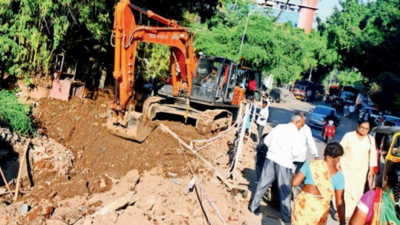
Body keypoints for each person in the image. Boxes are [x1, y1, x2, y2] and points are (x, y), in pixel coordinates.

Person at [249, 113, 306, 223]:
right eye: (302, 124)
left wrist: (274, 149)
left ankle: (253, 207)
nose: (301, 127)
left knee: (262, 184)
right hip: (284, 163)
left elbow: (266, 141)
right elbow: (296, 153)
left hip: (271, 159)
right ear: (298, 122)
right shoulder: (297, 135)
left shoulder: (279, 127)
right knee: (284, 191)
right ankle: (286, 217)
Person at [292, 142, 346, 225]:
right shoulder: (339, 176)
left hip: (304, 205)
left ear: (324, 151)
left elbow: (295, 183)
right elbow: (339, 202)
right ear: (339, 158)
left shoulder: (310, 164)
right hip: (320, 211)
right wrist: (342, 222)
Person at [339, 120, 378, 219]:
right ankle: (341, 211)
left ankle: (349, 213)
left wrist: (371, 171)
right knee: (345, 189)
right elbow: (340, 150)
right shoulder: (349, 135)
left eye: (366, 129)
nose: (364, 130)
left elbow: (373, 155)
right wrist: (337, 163)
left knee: (357, 192)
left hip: (361, 170)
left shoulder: (371, 139)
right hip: (346, 167)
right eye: (362, 127)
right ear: (358, 126)